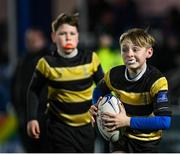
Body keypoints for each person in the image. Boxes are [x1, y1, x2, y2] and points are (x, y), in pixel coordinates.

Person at [26, 13, 104, 153]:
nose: (68, 37)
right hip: (59, 128)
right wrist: (32, 118)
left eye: (72, 33)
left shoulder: (91, 58)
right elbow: (33, 91)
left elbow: (104, 88)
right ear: (53, 37)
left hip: (86, 128)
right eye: (62, 33)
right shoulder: (47, 63)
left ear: (78, 36)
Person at [89, 28, 172, 153]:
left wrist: (127, 121)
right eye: (124, 49)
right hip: (121, 137)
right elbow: (98, 91)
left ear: (149, 53)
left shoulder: (157, 81)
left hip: (147, 142)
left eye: (135, 49)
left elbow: (164, 121)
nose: (129, 54)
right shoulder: (113, 75)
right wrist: (95, 105)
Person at [11, 27, 50, 152]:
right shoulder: (23, 61)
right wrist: (19, 111)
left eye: (34, 40)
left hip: (45, 119)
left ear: (42, 39)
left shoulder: (50, 59)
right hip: (25, 118)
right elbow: (15, 86)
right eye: (28, 40)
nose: (30, 43)